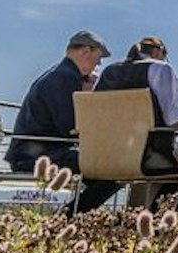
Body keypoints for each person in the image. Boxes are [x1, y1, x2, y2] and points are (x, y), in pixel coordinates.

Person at [88, 36, 178, 211]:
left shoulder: (109, 72)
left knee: (116, 176)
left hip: (106, 152)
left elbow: (96, 112)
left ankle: (72, 213)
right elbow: (174, 119)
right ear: (158, 51)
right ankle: (160, 221)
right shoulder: (161, 69)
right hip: (146, 153)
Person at [7, 30, 110, 177]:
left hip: (29, 152)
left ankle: (88, 193)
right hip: (35, 155)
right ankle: (89, 195)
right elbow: (70, 127)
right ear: (86, 52)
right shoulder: (65, 77)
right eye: (98, 59)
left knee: (103, 161)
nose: (98, 64)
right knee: (109, 162)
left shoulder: (59, 73)